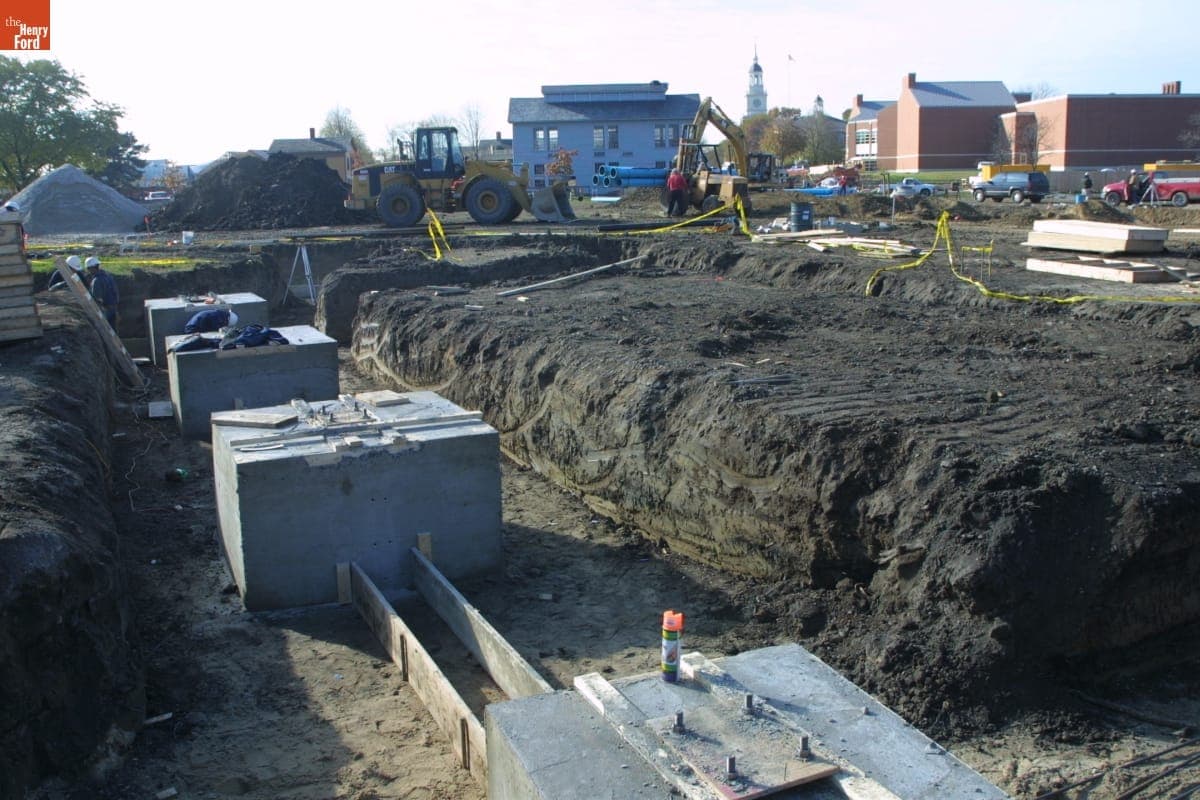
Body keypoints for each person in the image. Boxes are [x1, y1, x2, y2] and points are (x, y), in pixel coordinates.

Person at [86, 257, 119, 328]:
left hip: (105, 311)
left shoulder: (96, 281)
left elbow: (98, 299)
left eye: (88, 269)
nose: (88, 271)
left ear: (92, 268)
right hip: (113, 308)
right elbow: (115, 292)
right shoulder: (108, 277)